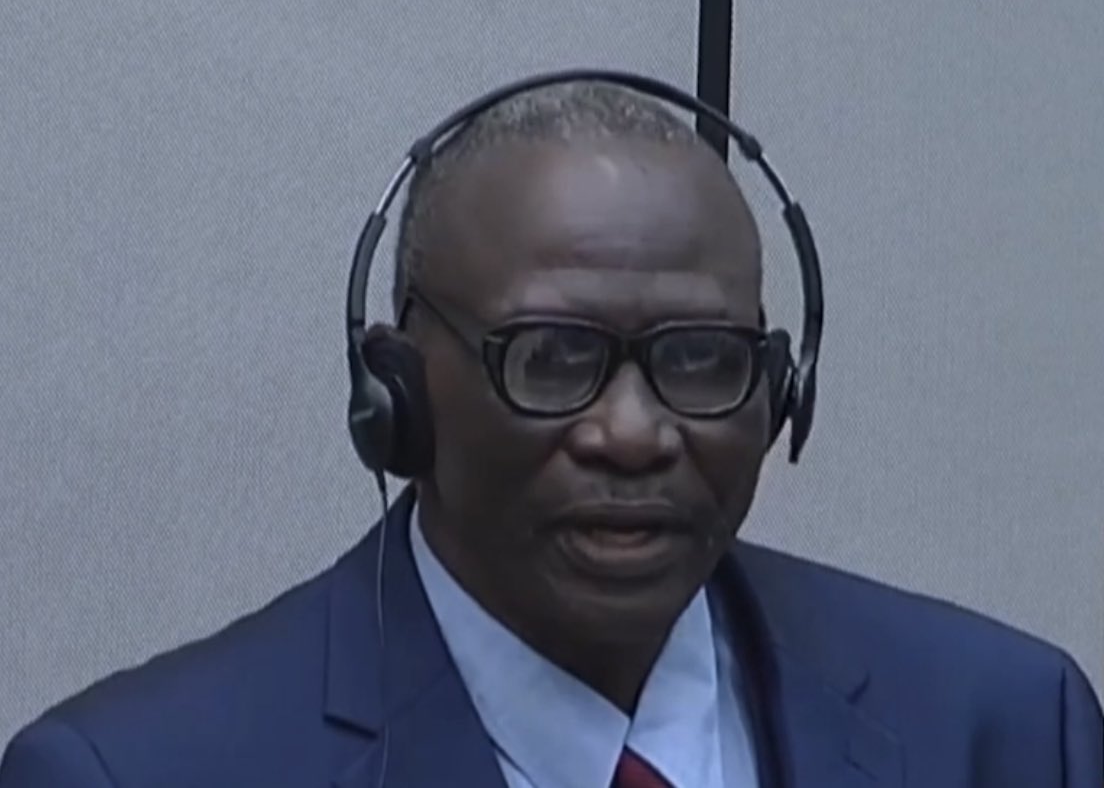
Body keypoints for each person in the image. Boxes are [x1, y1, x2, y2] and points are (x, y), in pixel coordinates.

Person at [1, 81, 1100, 788]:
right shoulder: (140, 769)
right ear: (396, 391)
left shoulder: (1005, 731)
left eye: (700, 359)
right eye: (552, 357)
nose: (633, 433)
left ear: (780, 392)